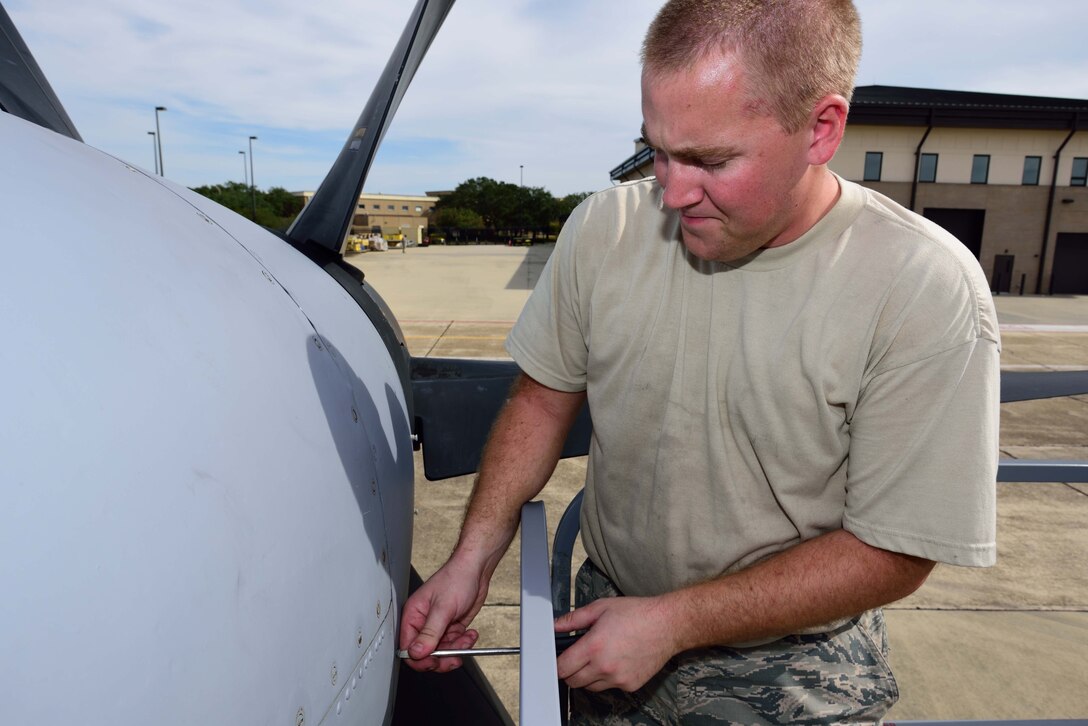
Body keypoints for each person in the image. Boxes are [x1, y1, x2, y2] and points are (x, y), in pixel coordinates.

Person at [400, 0, 1000, 722]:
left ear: (822, 129)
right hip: (609, 626)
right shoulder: (605, 229)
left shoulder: (923, 287)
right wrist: (473, 558)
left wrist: (674, 621)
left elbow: (894, 551)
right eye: (657, 149)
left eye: (711, 160)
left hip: (792, 673)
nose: (672, 192)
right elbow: (540, 398)